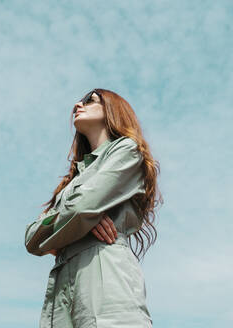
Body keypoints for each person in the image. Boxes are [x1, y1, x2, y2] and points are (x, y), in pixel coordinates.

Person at [25, 88, 163, 327]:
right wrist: (84, 219)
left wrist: (73, 220)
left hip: (105, 279)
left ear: (112, 110)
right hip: (63, 292)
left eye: (91, 101)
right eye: (80, 101)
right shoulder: (73, 178)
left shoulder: (127, 150)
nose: (78, 104)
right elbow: (31, 239)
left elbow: (81, 208)